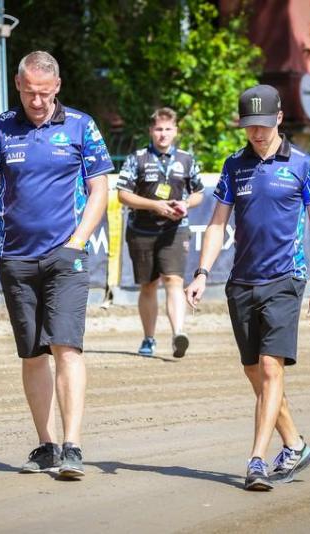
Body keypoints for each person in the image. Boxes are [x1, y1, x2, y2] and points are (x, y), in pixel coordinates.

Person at [0, 51, 113, 478]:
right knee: (33, 354)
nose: (37, 101)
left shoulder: (81, 126)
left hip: (66, 256)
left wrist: (76, 242)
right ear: (18, 85)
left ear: (58, 87)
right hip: (16, 258)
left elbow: (100, 190)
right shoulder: (0, 128)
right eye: (30, 92)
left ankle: (73, 446)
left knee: (66, 347)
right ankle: (47, 445)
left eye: (45, 94)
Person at [185, 84, 310, 491]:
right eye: (250, 126)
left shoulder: (303, 165)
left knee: (270, 368)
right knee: (255, 371)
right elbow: (217, 224)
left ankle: (256, 461)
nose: (257, 133)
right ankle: (296, 445)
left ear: (279, 119)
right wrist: (202, 272)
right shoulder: (234, 165)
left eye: (263, 125)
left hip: (286, 279)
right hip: (241, 283)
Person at [117, 107, 204, 358]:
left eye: (167, 129)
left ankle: (178, 334)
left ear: (175, 131)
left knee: (174, 280)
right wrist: (155, 205)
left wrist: (185, 204)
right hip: (141, 230)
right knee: (149, 286)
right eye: (158, 129)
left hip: (175, 230)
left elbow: (199, 193)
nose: (163, 134)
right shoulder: (137, 158)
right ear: (151, 131)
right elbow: (123, 195)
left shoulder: (187, 159)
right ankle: (149, 338)